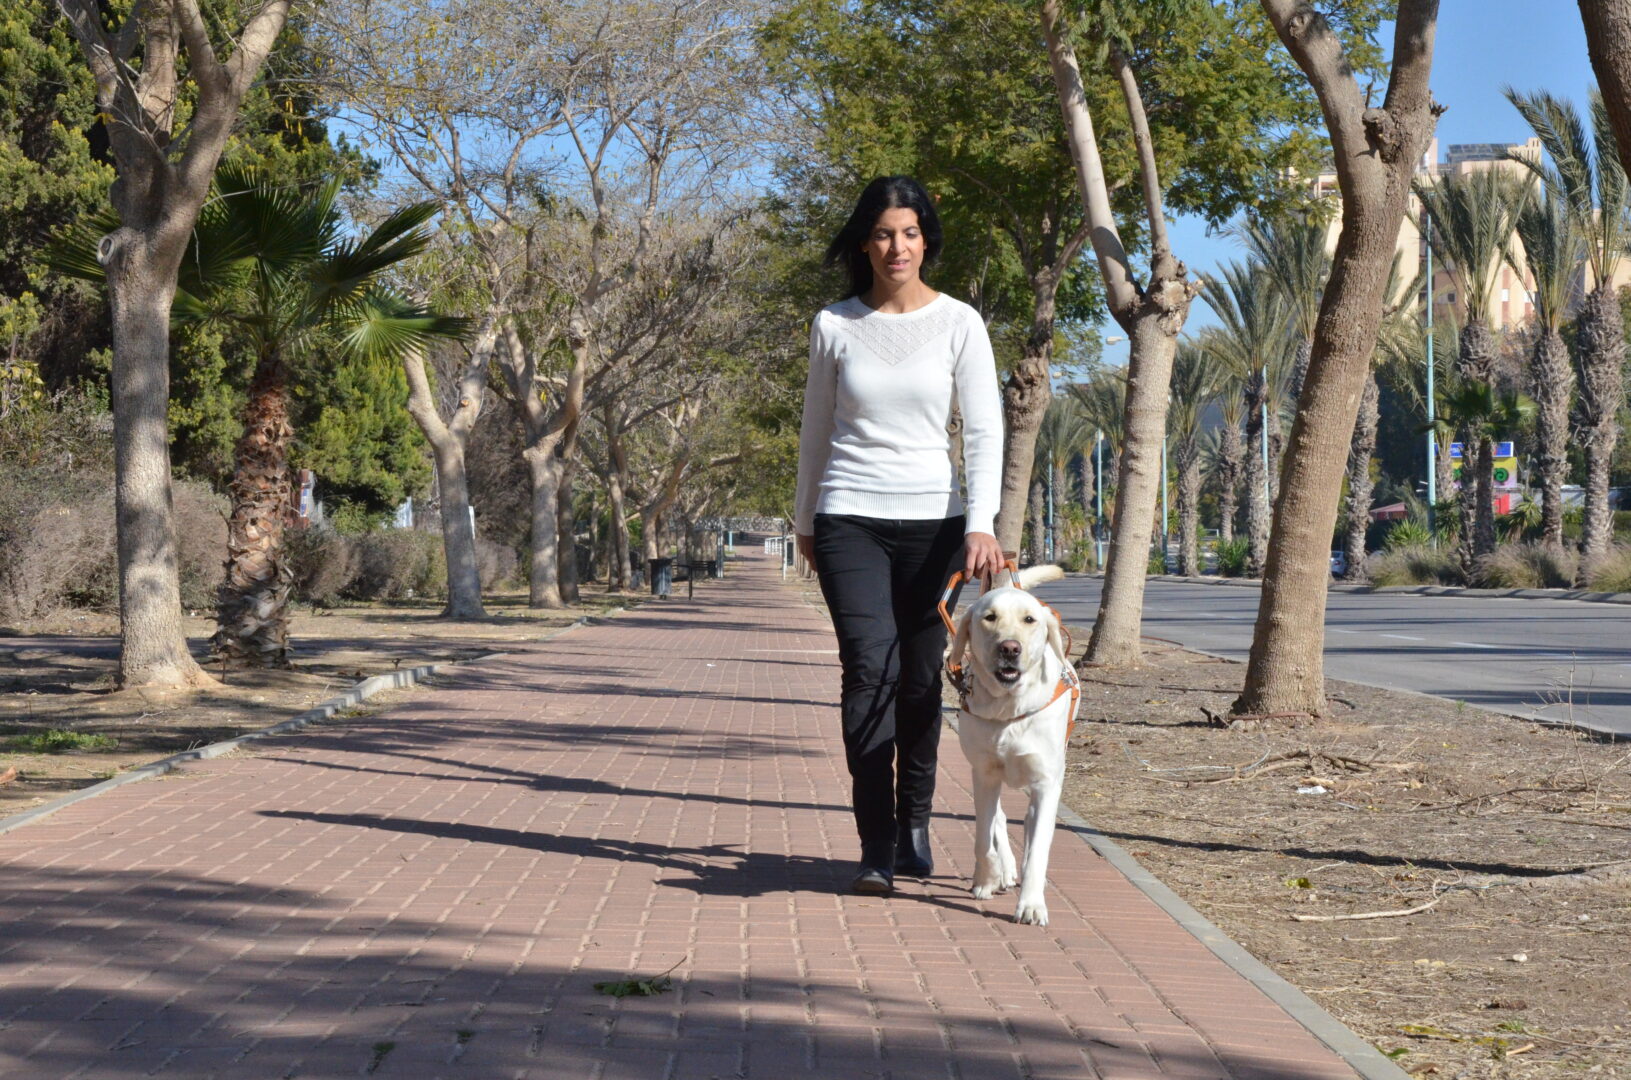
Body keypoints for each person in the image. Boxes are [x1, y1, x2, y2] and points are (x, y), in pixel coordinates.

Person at [794, 176, 1005, 895]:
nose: (897, 246)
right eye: (884, 233)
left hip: (936, 525)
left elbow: (983, 428)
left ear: (926, 241)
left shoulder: (958, 322)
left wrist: (981, 522)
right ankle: (875, 843)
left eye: (909, 233)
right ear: (865, 241)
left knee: (918, 682)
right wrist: (804, 519)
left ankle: (915, 824)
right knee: (867, 674)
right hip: (848, 516)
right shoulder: (834, 325)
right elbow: (815, 433)